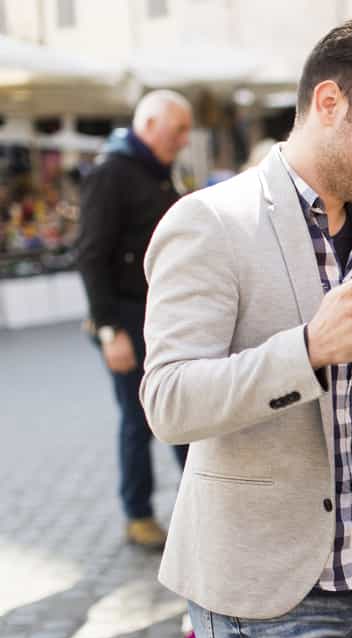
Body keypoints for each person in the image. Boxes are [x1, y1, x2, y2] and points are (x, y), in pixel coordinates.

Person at [139, 19, 352, 638]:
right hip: (263, 593)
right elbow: (168, 402)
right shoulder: (209, 223)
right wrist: (307, 350)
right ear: (329, 103)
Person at [76, 89, 192, 549]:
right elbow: (90, 255)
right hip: (126, 318)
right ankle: (138, 514)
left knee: (184, 411)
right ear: (148, 125)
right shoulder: (111, 172)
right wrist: (109, 330)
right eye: (177, 130)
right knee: (138, 419)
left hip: (163, 316)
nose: (184, 140)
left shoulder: (156, 170)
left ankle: (200, 501)